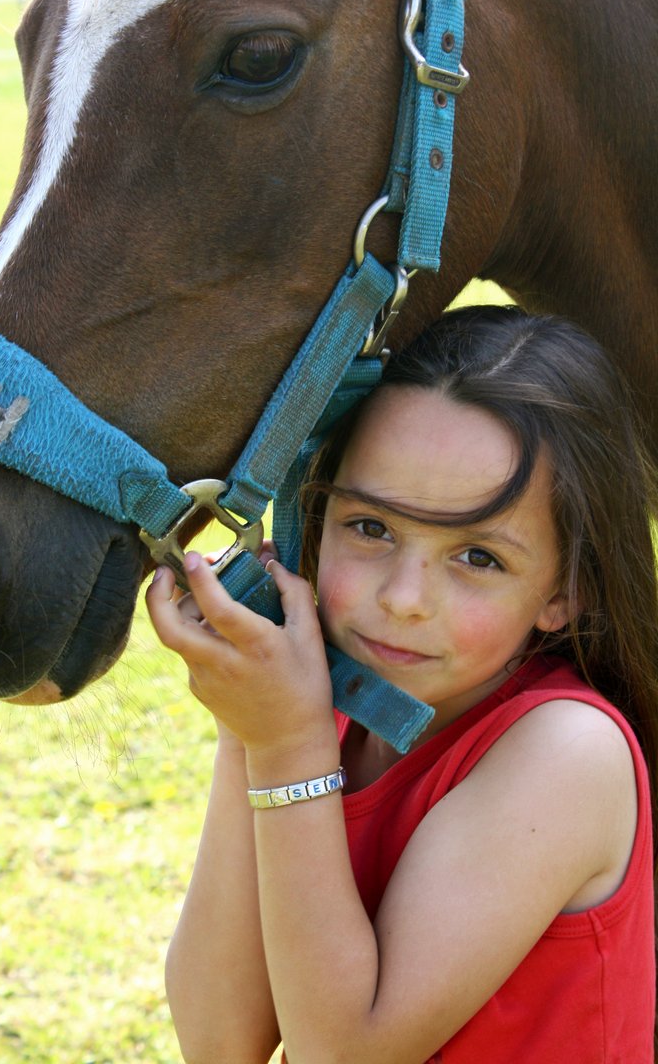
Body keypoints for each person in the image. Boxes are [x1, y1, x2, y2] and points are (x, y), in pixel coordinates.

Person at [146, 304, 658, 1064]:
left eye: (478, 557)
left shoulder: (568, 751)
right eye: (372, 528)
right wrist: (247, 735)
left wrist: (286, 746)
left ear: (567, 590)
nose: (403, 598)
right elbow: (222, 1044)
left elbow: (343, 1054)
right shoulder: (338, 709)